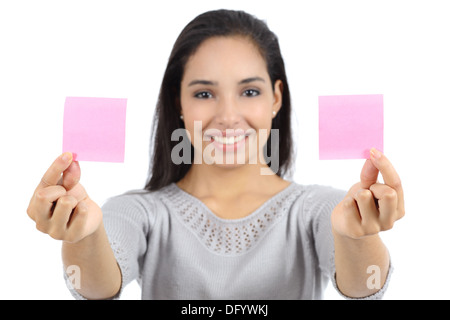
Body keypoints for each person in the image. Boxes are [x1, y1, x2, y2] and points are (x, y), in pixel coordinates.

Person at [26, 9, 404, 300]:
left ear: (276, 97)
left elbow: (362, 286)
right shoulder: (138, 213)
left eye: (250, 92)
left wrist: (356, 236)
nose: (226, 117)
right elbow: (96, 286)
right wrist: (83, 236)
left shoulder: (321, 210)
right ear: (179, 101)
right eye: (204, 93)